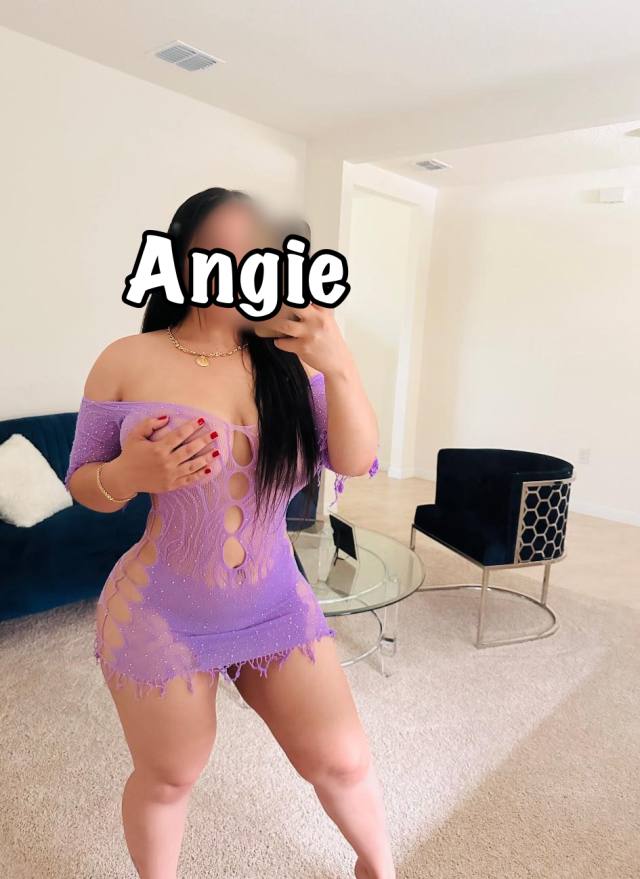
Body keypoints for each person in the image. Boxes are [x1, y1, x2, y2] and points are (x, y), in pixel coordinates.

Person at [65, 187, 392, 879]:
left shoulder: (293, 360)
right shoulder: (126, 358)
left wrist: (340, 363)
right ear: (181, 259)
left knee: (343, 758)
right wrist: (127, 473)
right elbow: (84, 484)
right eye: (225, 250)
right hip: (161, 611)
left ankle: (378, 868)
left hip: (275, 602)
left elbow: (356, 459)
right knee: (170, 774)